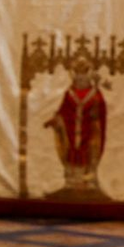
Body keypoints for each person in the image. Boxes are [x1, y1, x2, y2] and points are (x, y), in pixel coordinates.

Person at [44, 52, 107, 197]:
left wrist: (97, 114)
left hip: (90, 132)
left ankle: (89, 182)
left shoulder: (96, 94)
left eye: (84, 73)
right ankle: (70, 183)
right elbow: (63, 111)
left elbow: (101, 113)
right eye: (78, 73)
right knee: (70, 154)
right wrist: (56, 121)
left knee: (90, 153)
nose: (80, 77)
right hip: (71, 131)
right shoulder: (69, 94)